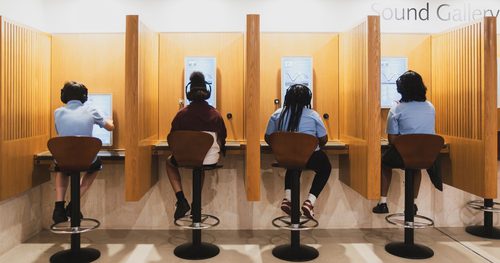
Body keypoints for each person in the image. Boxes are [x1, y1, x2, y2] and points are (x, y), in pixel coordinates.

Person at [166, 71, 227, 221]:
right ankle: (196, 204)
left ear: (189, 92)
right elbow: (223, 138)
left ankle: (181, 200)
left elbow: (172, 139)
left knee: (169, 162)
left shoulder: (181, 114)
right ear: (207, 91)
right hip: (209, 160)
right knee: (201, 165)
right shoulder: (215, 115)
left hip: (186, 158)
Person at [372, 70, 435, 214]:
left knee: (384, 163)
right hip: (425, 155)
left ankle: (383, 203)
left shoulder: (396, 109)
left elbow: (392, 140)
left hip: (404, 154)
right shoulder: (431, 107)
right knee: (416, 167)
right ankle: (412, 204)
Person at [265, 84, 332, 219]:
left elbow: (268, 137)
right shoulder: (313, 115)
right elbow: (324, 139)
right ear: (308, 100)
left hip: (285, 157)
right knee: (325, 167)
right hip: (309, 157)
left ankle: (288, 199)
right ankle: (309, 202)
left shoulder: (277, 114)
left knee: (293, 161)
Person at [52, 81, 115, 223]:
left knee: (61, 169)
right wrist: (110, 120)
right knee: (96, 166)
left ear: (63, 95)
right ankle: (74, 203)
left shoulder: (57, 112)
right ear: (84, 96)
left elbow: (60, 132)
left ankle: (59, 207)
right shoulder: (91, 110)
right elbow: (110, 128)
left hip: (64, 157)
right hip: (86, 159)